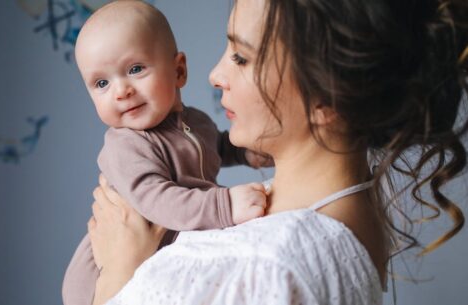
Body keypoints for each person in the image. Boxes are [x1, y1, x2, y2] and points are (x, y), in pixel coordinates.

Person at [86, 0, 468, 304]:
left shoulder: (272, 266)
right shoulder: (345, 210)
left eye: (241, 56)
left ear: (326, 95)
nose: (215, 74)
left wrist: (117, 277)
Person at [62, 1, 273, 305]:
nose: (121, 91)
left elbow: (214, 148)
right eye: (101, 83)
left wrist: (244, 154)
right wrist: (224, 205)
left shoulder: (196, 121)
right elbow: (157, 201)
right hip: (100, 277)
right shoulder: (126, 145)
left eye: (135, 69)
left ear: (179, 71)